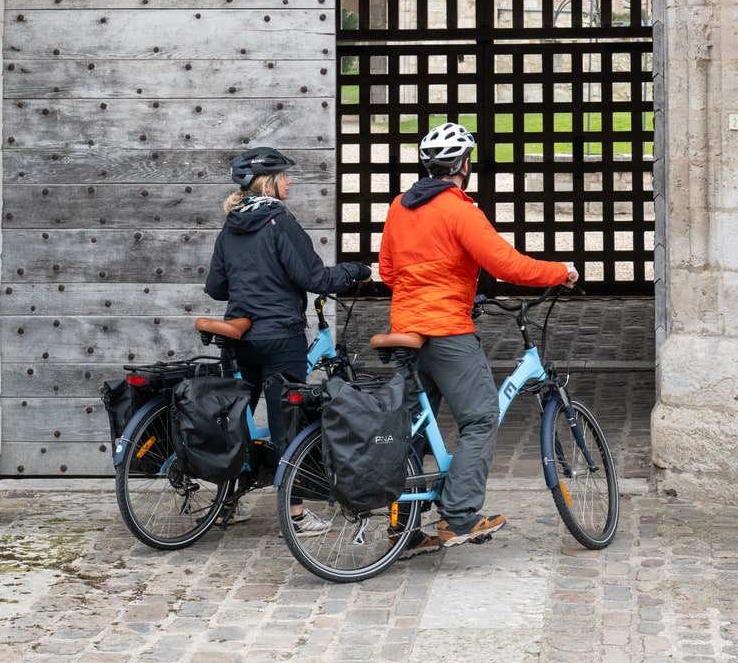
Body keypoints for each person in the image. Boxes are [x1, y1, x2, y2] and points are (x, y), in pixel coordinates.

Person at [378, 121, 578, 555]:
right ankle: (460, 515)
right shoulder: (459, 210)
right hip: (446, 329)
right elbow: (507, 265)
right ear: (464, 166)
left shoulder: (398, 206)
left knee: (408, 429)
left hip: (405, 328)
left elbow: (389, 273)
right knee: (481, 417)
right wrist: (560, 271)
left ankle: (402, 528)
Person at [204, 145, 371, 525]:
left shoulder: (231, 225)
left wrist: (251, 282)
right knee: (288, 424)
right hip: (280, 334)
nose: (290, 180)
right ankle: (295, 515)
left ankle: (225, 505)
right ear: (269, 182)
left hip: (241, 338)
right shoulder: (279, 220)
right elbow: (313, 278)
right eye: (284, 175)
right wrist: (354, 271)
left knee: (236, 420)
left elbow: (216, 286)